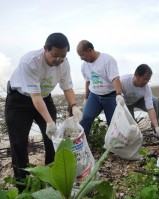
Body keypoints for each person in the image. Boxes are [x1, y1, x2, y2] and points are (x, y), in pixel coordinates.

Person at [5, 33, 82, 184]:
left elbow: (67, 87)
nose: (59, 60)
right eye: (55, 55)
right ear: (45, 49)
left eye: (63, 56)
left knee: (52, 139)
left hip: (45, 98)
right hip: (19, 100)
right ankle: (23, 183)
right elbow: (35, 97)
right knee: (19, 143)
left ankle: (53, 177)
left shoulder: (63, 63)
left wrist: (74, 106)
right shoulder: (31, 61)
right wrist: (49, 121)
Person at [77, 40, 122, 137]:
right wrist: (86, 98)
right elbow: (88, 82)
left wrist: (119, 95)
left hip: (110, 96)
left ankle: (114, 147)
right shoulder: (84, 66)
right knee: (86, 119)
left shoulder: (107, 60)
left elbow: (115, 78)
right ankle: (82, 144)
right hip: (94, 96)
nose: (81, 58)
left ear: (90, 50)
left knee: (113, 123)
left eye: (82, 55)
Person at [116, 64, 159, 137]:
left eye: (148, 80)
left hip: (139, 100)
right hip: (125, 103)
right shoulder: (123, 81)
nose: (146, 82)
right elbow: (115, 94)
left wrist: (156, 126)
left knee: (155, 101)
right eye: (145, 79)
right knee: (132, 127)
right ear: (137, 75)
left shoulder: (146, 88)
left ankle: (158, 130)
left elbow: (150, 109)